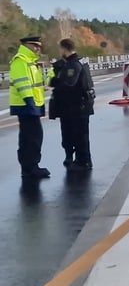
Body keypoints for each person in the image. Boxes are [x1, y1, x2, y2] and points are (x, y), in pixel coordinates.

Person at [49, 39, 95, 172]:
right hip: (75, 106)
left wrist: (56, 81)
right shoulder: (77, 62)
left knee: (80, 135)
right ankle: (80, 160)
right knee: (75, 134)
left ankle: (84, 161)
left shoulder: (73, 65)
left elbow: (68, 84)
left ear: (64, 48)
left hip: (76, 106)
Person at [10, 36, 51, 179]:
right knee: (33, 137)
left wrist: (52, 72)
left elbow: (40, 84)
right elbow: (22, 84)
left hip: (32, 104)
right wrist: (30, 102)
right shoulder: (21, 60)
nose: (38, 48)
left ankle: (29, 168)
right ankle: (31, 168)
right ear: (26, 45)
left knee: (29, 137)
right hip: (26, 105)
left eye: (39, 46)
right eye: (35, 45)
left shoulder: (31, 62)